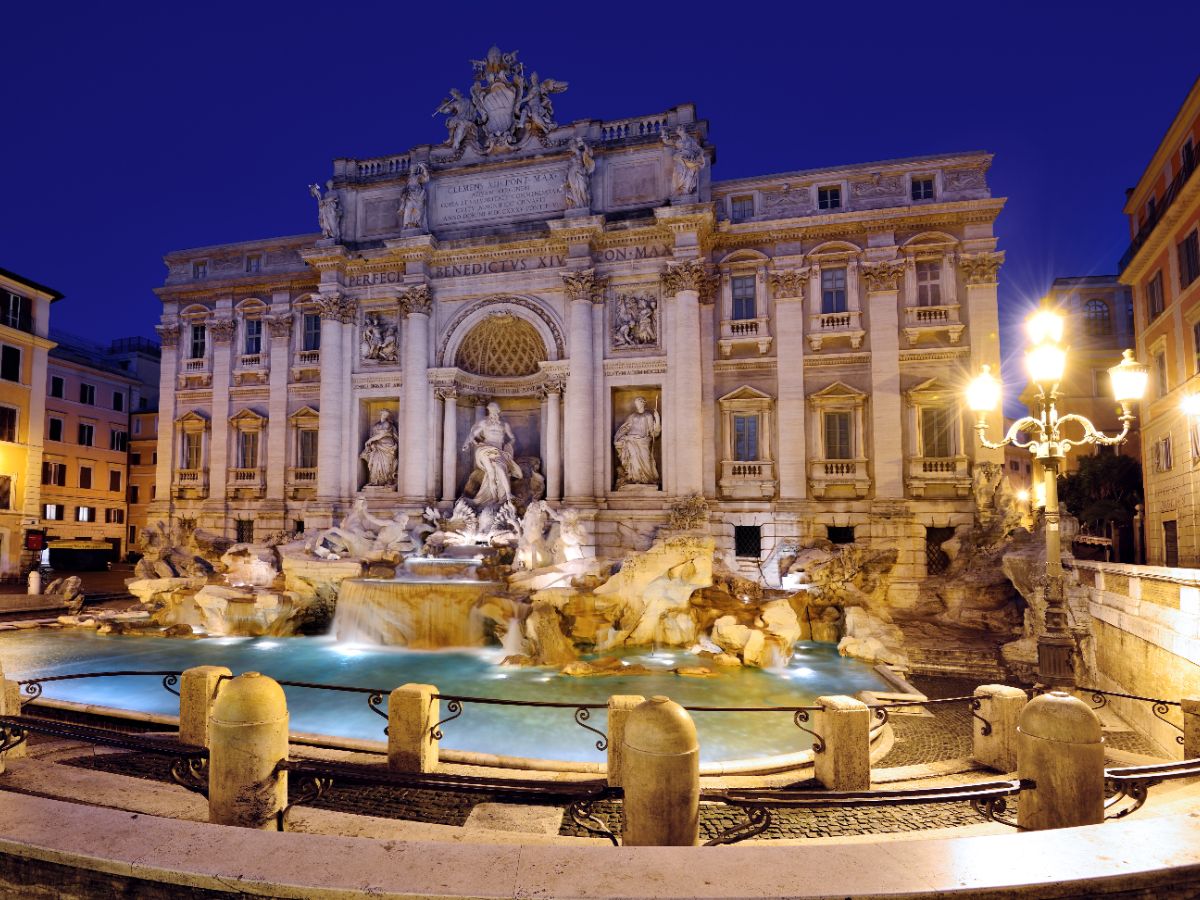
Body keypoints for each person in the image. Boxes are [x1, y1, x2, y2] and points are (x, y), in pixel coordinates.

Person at [462, 402, 523, 507]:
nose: (494, 413)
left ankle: (508, 494)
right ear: (489, 411)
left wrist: (509, 444)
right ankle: (495, 497)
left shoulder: (504, 425)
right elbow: (472, 434)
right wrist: (467, 443)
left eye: (495, 411)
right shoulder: (484, 423)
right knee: (491, 472)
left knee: (500, 468)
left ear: (498, 412)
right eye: (492, 411)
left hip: (499, 450)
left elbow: (512, 438)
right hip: (485, 449)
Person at [614, 396, 662, 487]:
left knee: (646, 459)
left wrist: (657, 419)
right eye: (636, 403)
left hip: (644, 441)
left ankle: (647, 479)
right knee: (633, 458)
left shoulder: (648, 415)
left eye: (638, 402)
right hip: (631, 440)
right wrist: (618, 436)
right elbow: (626, 428)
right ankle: (635, 478)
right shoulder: (632, 416)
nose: (636, 404)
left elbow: (653, 432)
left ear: (643, 403)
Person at [360, 410, 399, 486]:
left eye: (387, 415)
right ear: (381, 414)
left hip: (387, 446)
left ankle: (386, 480)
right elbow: (373, 435)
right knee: (375, 463)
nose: (385, 416)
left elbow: (382, 434)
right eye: (384, 414)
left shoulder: (388, 424)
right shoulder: (376, 425)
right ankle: (375, 481)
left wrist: (370, 440)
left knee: (386, 464)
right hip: (377, 446)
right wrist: (372, 443)